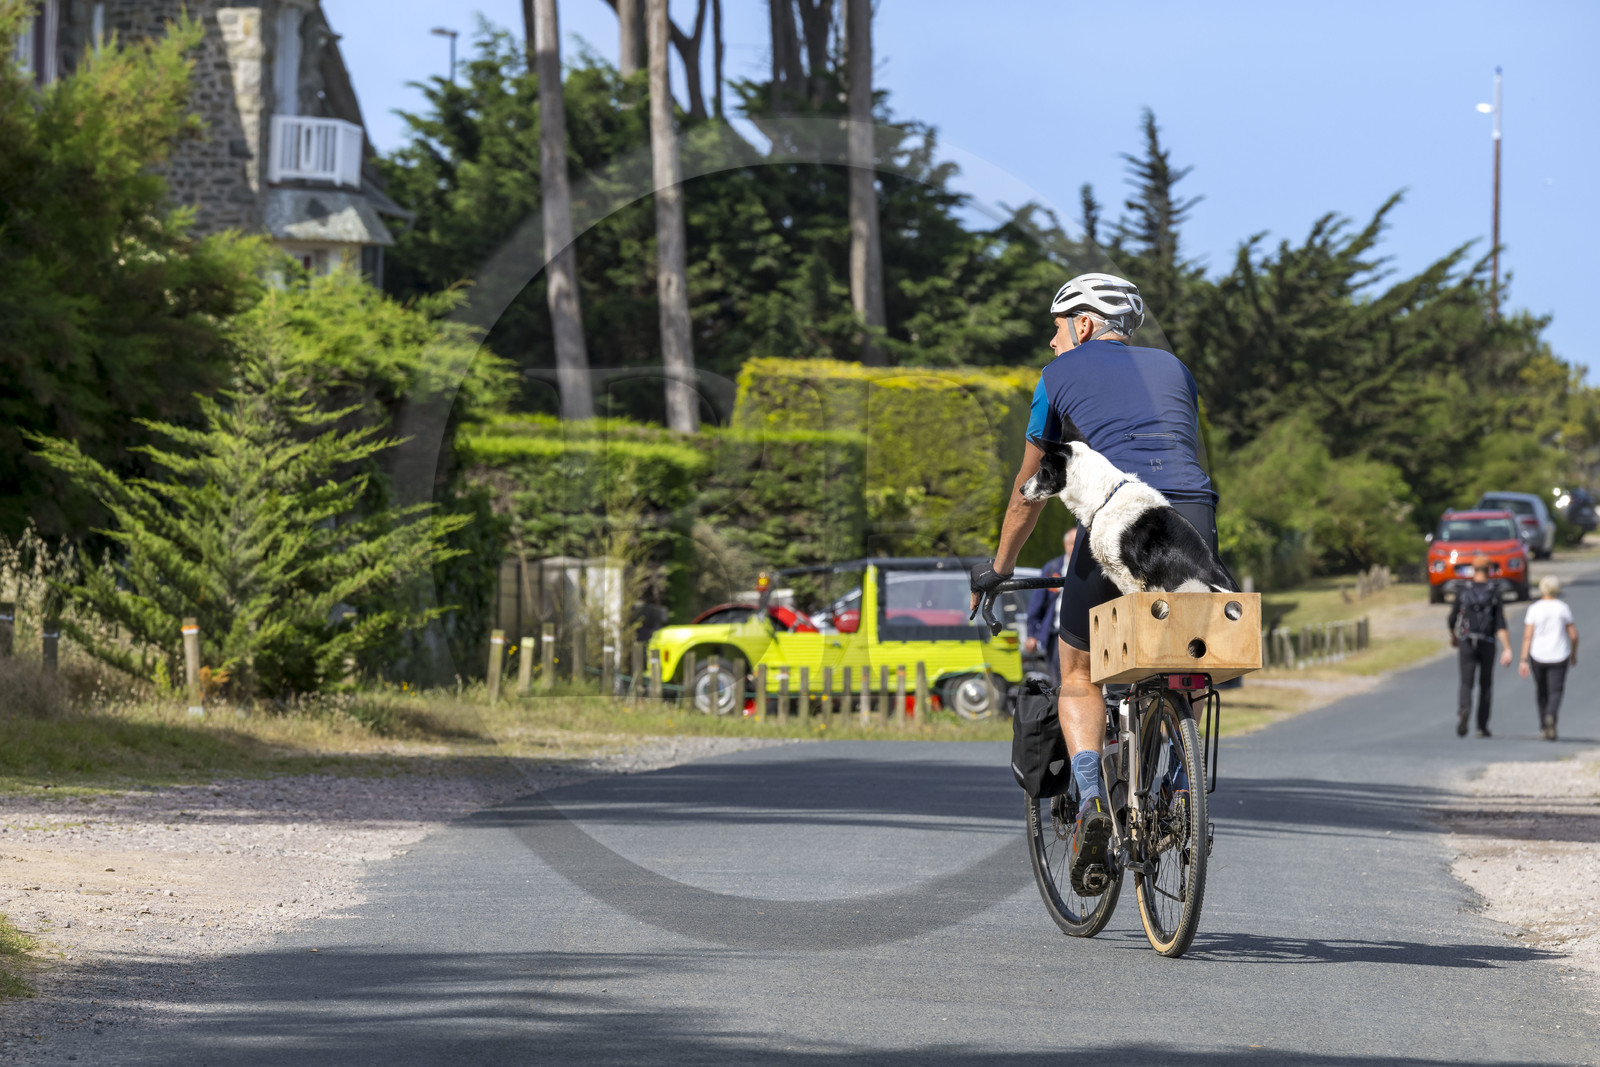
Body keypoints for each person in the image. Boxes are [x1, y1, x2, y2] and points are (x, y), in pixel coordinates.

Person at [970, 273, 1221, 896]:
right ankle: (1182, 790)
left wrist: (998, 569)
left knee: (1077, 673)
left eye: (1057, 327)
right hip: (1193, 513)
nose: (1052, 342)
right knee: (1185, 661)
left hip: (1124, 512)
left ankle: (1089, 809)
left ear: (1083, 324)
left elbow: (1029, 492)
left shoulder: (1057, 378)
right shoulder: (1174, 367)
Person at [1448, 553, 1513, 738]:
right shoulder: (1494, 590)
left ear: (1473, 570)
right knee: (1486, 684)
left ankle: (1464, 710)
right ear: (1490, 570)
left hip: (1467, 641)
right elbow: (1500, 622)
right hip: (1487, 642)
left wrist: (1453, 635)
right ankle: (1481, 726)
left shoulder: (1463, 589)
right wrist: (1507, 647)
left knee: (1466, 682)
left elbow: (1452, 618)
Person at [1518, 574, 1578, 741]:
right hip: (1559, 654)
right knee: (1556, 690)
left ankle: (1544, 726)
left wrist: (1523, 659)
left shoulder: (1534, 608)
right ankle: (1551, 715)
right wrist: (1574, 653)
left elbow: (1527, 636)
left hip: (1538, 654)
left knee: (1542, 691)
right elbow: (1573, 635)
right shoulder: (1562, 608)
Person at [1025, 526, 1078, 688]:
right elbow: (1037, 602)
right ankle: (1059, 711)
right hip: (1055, 634)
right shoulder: (1053, 568)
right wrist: (1032, 634)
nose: (1074, 548)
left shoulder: (1092, 568)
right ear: (1065, 545)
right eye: (1072, 543)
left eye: (1079, 544)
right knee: (1057, 679)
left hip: (1082, 634)